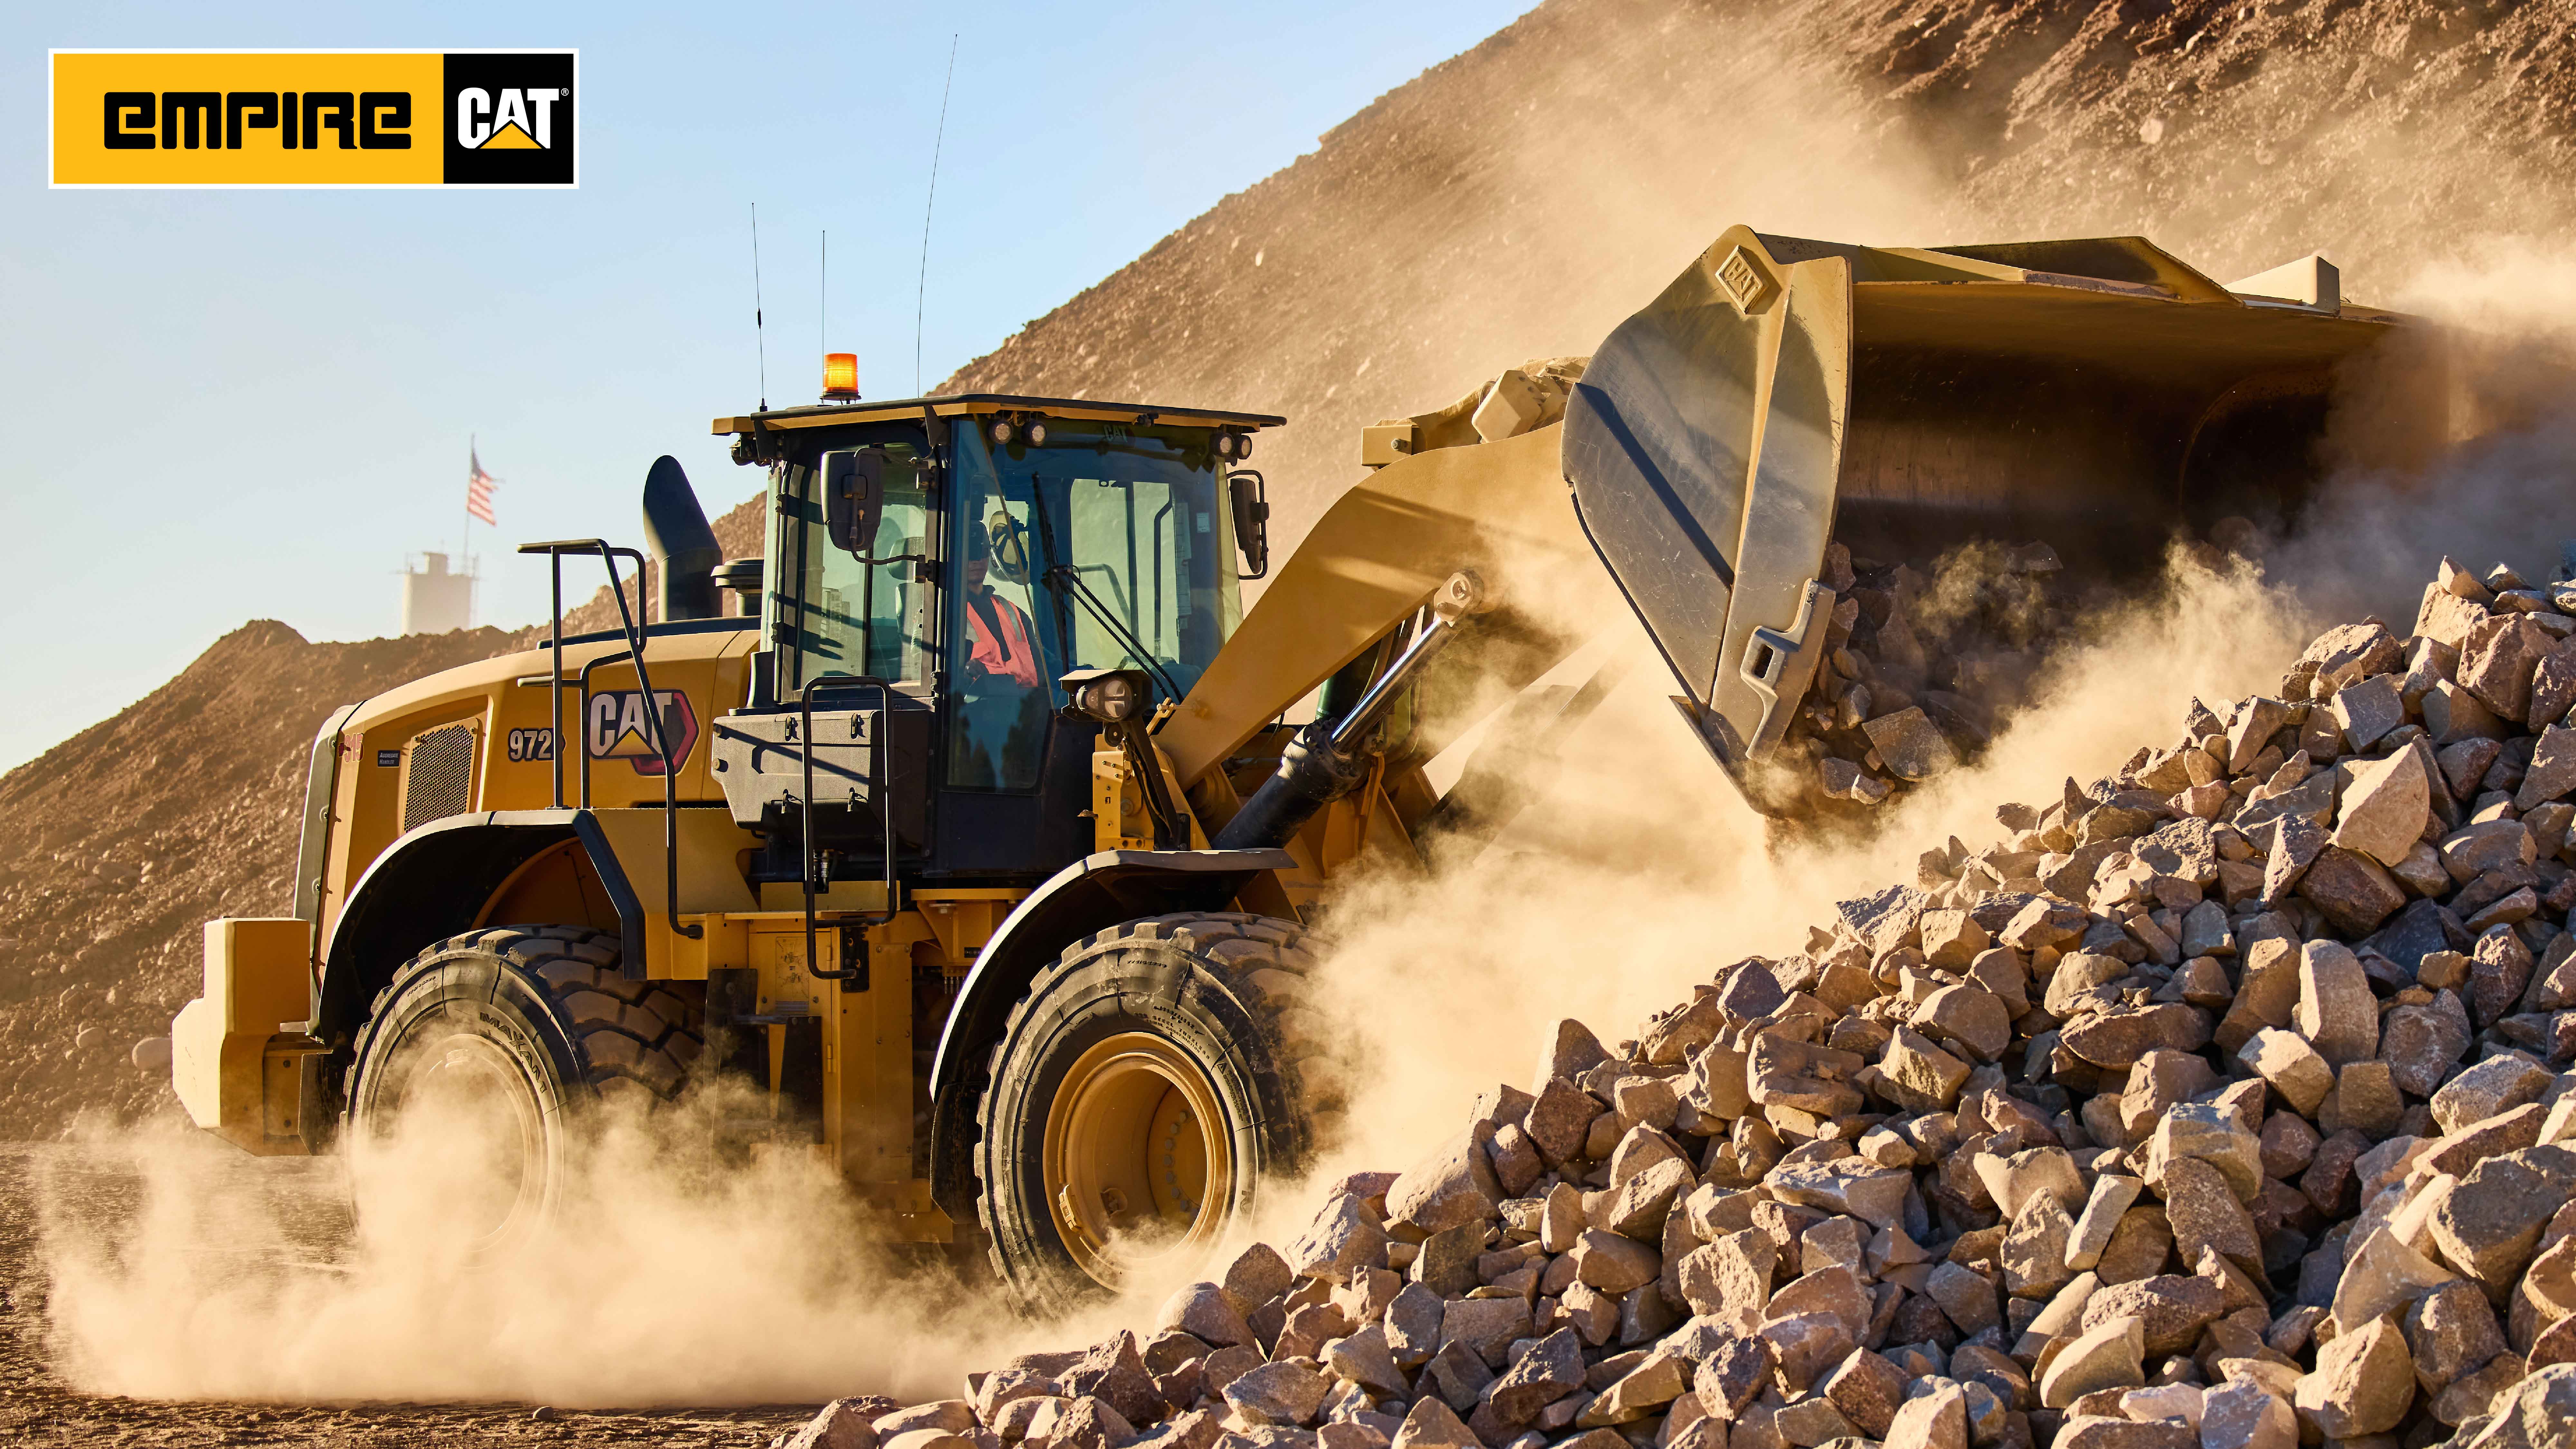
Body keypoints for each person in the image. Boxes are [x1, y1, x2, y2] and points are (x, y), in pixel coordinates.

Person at [952, 518, 1047, 788]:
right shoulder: (942, 612)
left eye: (982, 551)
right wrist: (962, 671)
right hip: (974, 724)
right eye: (969, 552)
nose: (977, 560)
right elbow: (928, 668)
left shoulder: (1013, 611)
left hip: (1024, 719)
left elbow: (1044, 663)